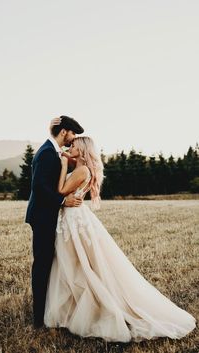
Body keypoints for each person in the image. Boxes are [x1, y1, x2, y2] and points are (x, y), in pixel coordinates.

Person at [43, 135, 196, 342]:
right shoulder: (83, 169)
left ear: (83, 149)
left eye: (74, 145)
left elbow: (61, 190)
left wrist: (62, 164)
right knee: (74, 264)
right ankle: (73, 307)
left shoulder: (82, 170)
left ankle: (87, 309)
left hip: (73, 220)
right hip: (73, 217)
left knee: (76, 264)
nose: (70, 147)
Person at [25, 115, 84, 328]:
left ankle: (49, 310)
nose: (73, 138)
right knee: (42, 265)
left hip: (46, 215)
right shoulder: (47, 153)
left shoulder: (52, 152)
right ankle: (39, 319)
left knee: (48, 263)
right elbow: (39, 187)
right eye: (72, 133)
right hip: (42, 217)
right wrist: (63, 200)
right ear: (63, 132)